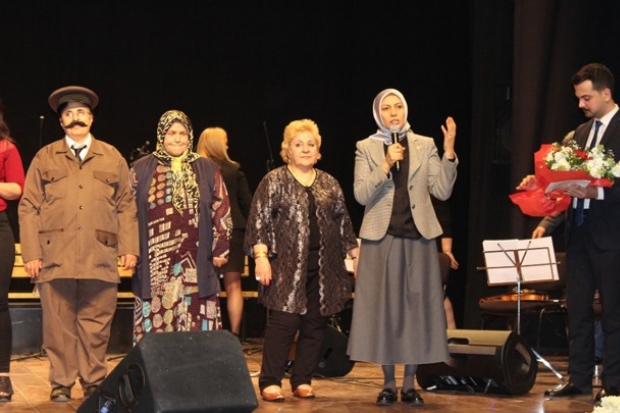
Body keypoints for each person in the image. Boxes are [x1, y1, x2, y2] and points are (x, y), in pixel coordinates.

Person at [18, 86, 139, 402]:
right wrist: (31, 253)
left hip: (100, 255)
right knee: (58, 327)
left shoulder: (111, 156)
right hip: (54, 256)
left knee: (96, 324)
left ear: (91, 118)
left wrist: (129, 247)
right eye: (69, 114)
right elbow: (28, 207)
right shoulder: (45, 157)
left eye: (82, 113)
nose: (76, 119)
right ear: (61, 121)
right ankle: (61, 381)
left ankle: (93, 380)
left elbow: (126, 205)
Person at [347, 88, 458, 407]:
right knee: (384, 312)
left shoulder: (425, 144)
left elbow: (442, 190)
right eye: (386, 108)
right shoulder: (366, 147)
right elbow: (360, 194)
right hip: (380, 239)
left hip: (419, 238)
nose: (393, 112)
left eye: (398, 106)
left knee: (416, 311)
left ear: (405, 110)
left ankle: (410, 384)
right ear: (378, 114)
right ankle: (387, 383)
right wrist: (384, 164)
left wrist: (449, 153)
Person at [518, 63, 620, 404]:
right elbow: (563, 181)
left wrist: (597, 192)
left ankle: (614, 383)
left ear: (606, 93)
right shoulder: (579, 133)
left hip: (612, 236)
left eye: (586, 98)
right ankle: (579, 379)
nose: (581, 104)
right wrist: (540, 185)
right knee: (576, 310)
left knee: (613, 312)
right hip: (578, 235)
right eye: (578, 98)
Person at [245, 119, 359, 402]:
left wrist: (355, 255)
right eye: (299, 144)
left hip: (325, 267)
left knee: (315, 324)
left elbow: (343, 222)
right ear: (288, 150)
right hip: (285, 267)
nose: (306, 149)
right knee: (284, 322)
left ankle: (302, 379)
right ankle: (271, 381)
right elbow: (258, 221)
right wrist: (261, 257)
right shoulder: (274, 180)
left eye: (311, 144)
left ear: (318, 151)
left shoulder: (329, 182)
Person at [131, 111, 232, 343]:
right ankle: (156, 365)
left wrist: (221, 247)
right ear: (161, 135)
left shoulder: (207, 168)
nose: (177, 139)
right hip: (155, 262)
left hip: (197, 259)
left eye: (182, 134)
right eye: (171, 133)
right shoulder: (141, 168)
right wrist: (130, 249)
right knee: (157, 324)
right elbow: (127, 213)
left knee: (196, 321)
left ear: (190, 136)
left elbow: (221, 207)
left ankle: (197, 365)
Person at [196, 127, 252, 339]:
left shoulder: (194, 168)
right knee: (233, 285)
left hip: (201, 231)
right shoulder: (234, 169)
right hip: (233, 231)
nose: (227, 145)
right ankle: (234, 336)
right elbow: (247, 203)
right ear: (218, 144)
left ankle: (204, 333)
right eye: (225, 141)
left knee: (201, 285)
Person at [0, 100, 25, 402]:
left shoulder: (7, 148)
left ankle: (2, 375)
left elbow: (17, 189)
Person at [432, 196, 459, 329]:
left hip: (429, 248)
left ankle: (452, 337)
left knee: (440, 295)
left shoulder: (433, 192)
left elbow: (444, 220)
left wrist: (447, 250)